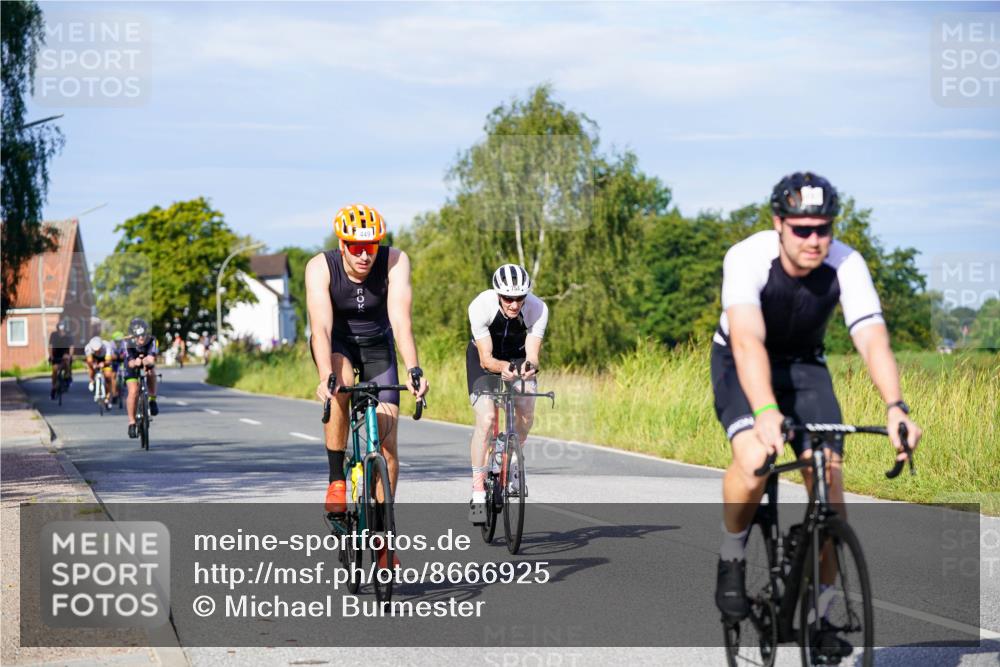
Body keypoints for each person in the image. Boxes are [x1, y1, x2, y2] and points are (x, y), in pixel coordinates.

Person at [711, 172, 922, 630]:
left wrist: (895, 407)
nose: (813, 239)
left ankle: (823, 614)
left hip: (805, 368)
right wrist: (766, 412)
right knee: (753, 459)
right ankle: (731, 556)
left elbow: (872, 340)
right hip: (742, 361)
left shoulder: (846, 264)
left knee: (828, 480)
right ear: (779, 224)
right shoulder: (747, 257)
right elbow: (747, 341)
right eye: (801, 228)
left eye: (822, 228)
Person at [305, 203, 428, 564]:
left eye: (370, 246)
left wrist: (414, 369)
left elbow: (401, 320)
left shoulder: (395, 261)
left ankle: (383, 535)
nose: (363, 255)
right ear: (342, 245)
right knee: (340, 384)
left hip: (378, 346)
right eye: (355, 247)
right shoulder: (319, 266)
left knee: (387, 444)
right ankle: (336, 481)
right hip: (339, 344)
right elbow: (321, 328)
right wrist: (323, 376)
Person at [466, 264, 548, 524]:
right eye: (508, 298)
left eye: (520, 298)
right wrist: (504, 368)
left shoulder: (538, 308)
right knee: (488, 419)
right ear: (498, 294)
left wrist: (529, 367)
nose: (514, 304)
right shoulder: (480, 306)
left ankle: (511, 459)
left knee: (526, 406)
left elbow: (533, 354)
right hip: (485, 360)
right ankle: (479, 490)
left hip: (517, 355)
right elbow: (486, 359)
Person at [122, 318, 160, 438]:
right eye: (138, 336)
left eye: (143, 335)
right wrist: (135, 362)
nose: (141, 338)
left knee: (151, 372)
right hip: (132, 363)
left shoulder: (152, 340)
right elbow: (130, 363)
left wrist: (145, 361)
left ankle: (152, 399)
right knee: (133, 391)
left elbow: (152, 358)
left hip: (146, 361)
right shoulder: (127, 342)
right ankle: (132, 422)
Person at [83, 335, 117, 406]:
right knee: (91, 367)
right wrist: (93, 364)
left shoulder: (107, 346)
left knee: (108, 376)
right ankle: (92, 380)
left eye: (99, 350)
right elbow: (89, 360)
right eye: (95, 351)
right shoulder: (88, 347)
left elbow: (108, 360)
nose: (97, 352)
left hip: (104, 359)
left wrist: (103, 363)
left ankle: (107, 395)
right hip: (94, 359)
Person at [48, 320, 74, 400]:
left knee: (66, 362)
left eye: (63, 329)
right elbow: (50, 346)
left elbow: (71, 347)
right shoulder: (53, 335)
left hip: (65, 355)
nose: (62, 331)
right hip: (56, 356)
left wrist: (70, 355)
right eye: (60, 329)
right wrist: (51, 355)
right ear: (57, 329)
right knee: (55, 370)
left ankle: (67, 377)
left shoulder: (69, 335)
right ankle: (53, 387)